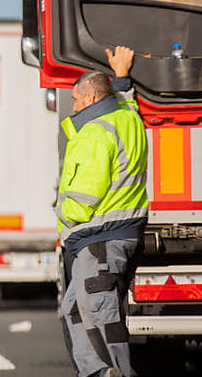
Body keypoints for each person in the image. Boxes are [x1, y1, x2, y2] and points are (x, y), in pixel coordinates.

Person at [56, 46, 148, 377]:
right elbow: (125, 100)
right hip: (119, 233)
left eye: (77, 101)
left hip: (99, 236)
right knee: (75, 311)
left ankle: (113, 372)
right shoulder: (128, 118)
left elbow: (83, 198)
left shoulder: (94, 134)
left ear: (92, 98)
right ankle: (97, 372)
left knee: (101, 316)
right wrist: (121, 74)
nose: (75, 107)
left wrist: (61, 216)